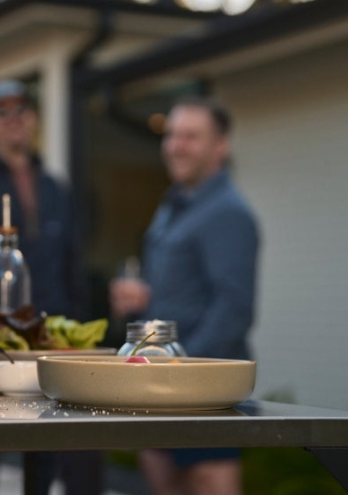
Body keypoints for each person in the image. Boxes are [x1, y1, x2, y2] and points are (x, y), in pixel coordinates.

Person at [0, 80, 100, 495]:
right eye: (1, 112)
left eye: (21, 110)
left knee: (56, 444)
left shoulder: (54, 185)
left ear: (34, 119)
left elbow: (71, 263)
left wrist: (76, 333)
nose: (13, 120)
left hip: (49, 338)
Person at [109, 97, 259, 495]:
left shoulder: (228, 212)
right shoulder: (175, 205)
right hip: (164, 391)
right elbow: (187, 288)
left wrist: (180, 376)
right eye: (172, 135)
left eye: (191, 137)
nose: (176, 145)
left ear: (220, 146)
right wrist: (144, 298)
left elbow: (233, 311)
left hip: (203, 396)